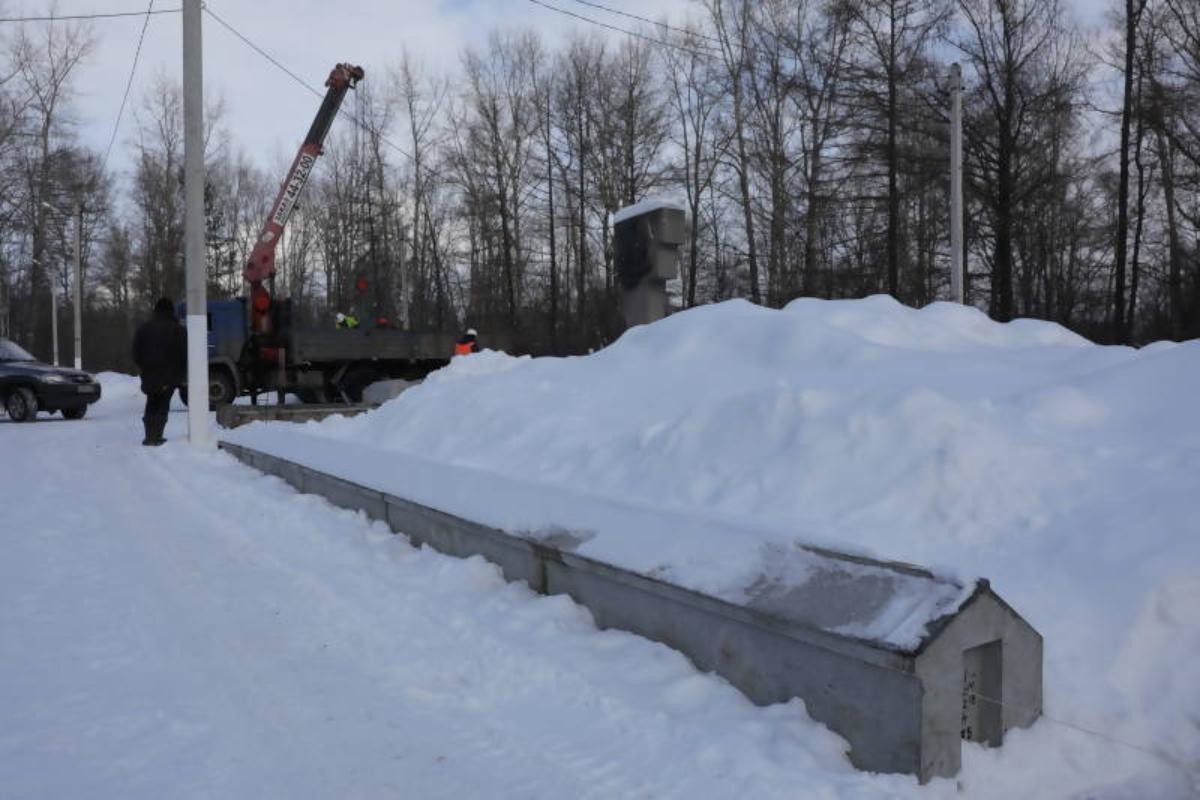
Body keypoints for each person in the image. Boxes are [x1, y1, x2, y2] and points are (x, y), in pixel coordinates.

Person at [131, 297, 186, 446]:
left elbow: (135, 353)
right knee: (163, 404)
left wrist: (144, 368)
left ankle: (149, 436)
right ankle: (157, 436)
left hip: (149, 374)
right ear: (171, 311)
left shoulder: (143, 329)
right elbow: (184, 353)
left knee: (151, 401)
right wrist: (182, 374)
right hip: (170, 374)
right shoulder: (178, 330)